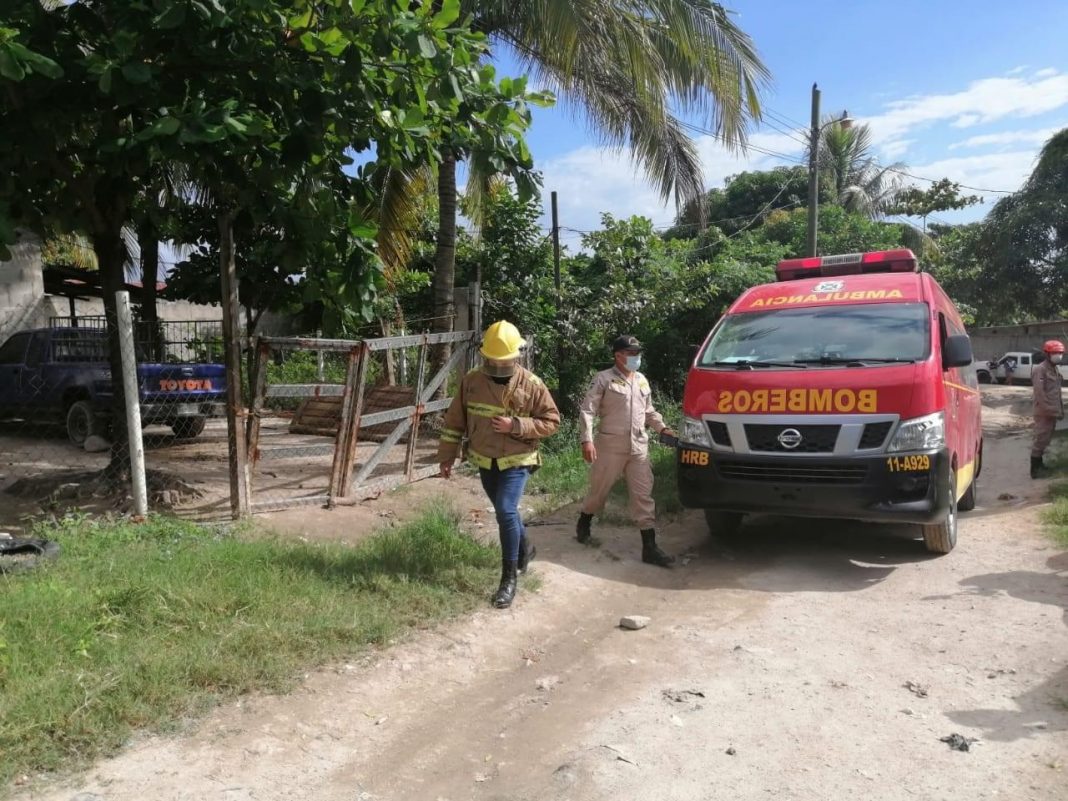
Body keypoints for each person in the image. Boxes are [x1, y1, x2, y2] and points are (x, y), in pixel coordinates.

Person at [438, 320, 560, 608]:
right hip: (484, 458)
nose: (498, 365)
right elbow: (455, 420)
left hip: (517, 460)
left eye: (503, 360)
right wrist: (447, 456)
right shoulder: (471, 381)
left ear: (517, 355)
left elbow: (551, 422)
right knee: (507, 513)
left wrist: (515, 425)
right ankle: (524, 549)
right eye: (493, 360)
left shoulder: (532, 384)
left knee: (505, 510)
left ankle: (508, 579)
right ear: (485, 355)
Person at [575, 335, 676, 567]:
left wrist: (663, 428)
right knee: (599, 490)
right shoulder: (603, 379)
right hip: (611, 447)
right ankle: (585, 521)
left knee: (643, 495)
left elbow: (649, 411)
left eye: (637, 353)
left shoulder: (641, 380)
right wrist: (586, 440)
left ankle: (649, 548)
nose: (635, 357)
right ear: (618, 355)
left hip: (638, 447)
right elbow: (588, 411)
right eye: (631, 353)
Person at [1031, 339, 1064, 478]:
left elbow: (1056, 392)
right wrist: (1050, 410)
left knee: (1046, 439)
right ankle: (1035, 470)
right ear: (1047, 354)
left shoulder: (1054, 369)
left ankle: (1040, 464)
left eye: (1060, 353)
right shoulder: (1040, 369)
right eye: (1055, 353)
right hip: (1044, 412)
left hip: (1052, 411)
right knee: (1040, 439)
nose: (1059, 355)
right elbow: (1040, 394)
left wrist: (1059, 410)